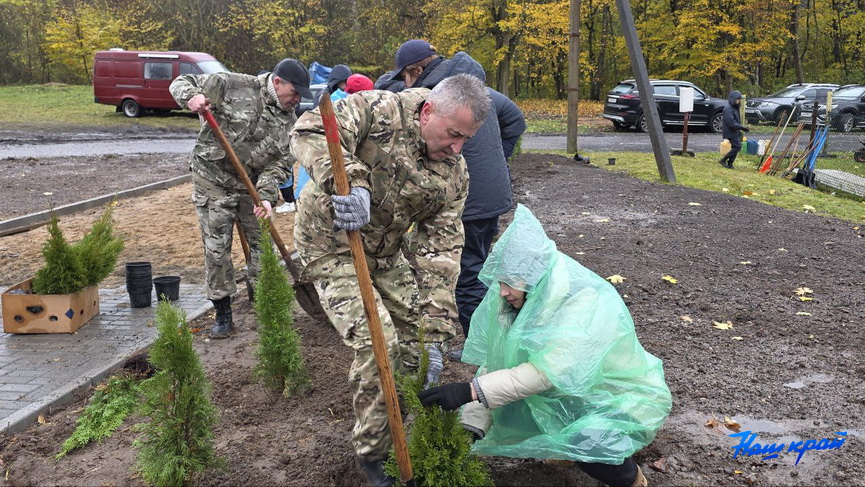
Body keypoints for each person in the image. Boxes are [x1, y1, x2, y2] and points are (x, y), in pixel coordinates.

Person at [289, 73, 492, 486]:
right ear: (428, 111)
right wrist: (352, 183)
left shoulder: (453, 174)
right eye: (453, 135)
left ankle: (399, 423)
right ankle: (374, 453)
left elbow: (441, 253)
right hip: (331, 243)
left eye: (465, 140)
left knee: (417, 346)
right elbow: (308, 130)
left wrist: (436, 332)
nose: (456, 148)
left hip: (384, 254)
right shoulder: (378, 110)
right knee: (375, 342)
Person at [418, 205, 673, 487]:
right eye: (500, 281)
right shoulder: (520, 303)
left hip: (618, 399)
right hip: (574, 395)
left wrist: (470, 391)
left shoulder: (584, 303)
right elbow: (499, 364)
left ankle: (630, 479)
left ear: (535, 276)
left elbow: (547, 373)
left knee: (588, 442)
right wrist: (471, 424)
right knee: (527, 405)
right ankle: (566, 446)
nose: (502, 291)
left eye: (510, 282)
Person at [377, 40, 527, 360]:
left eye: (406, 77)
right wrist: (499, 159)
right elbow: (516, 118)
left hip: (468, 198)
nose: (407, 85)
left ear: (417, 69)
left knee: (465, 275)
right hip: (492, 193)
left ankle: (485, 350)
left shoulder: (437, 97)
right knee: (480, 268)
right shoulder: (475, 89)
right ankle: (499, 338)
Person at [169, 58, 311, 338]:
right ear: (277, 82)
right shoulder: (233, 84)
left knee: (262, 243)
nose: (297, 100)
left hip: (252, 185)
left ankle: (262, 298)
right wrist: (191, 97)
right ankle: (223, 311)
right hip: (213, 178)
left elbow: (280, 164)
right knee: (217, 246)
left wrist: (266, 197)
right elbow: (181, 82)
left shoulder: (288, 122)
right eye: (294, 92)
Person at [720, 90, 748, 169]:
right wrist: (741, 127)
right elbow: (731, 123)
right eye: (738, 99)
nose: (739, 101)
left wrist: (741, 128)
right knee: (737, 147)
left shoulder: (734, 107)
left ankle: (730, 164)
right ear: (733, 99)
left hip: (734, 131)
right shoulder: (728, 109)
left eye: (740, 99)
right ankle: (723, 160)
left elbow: (735, 121)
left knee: (735, 147)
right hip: (730, 131)